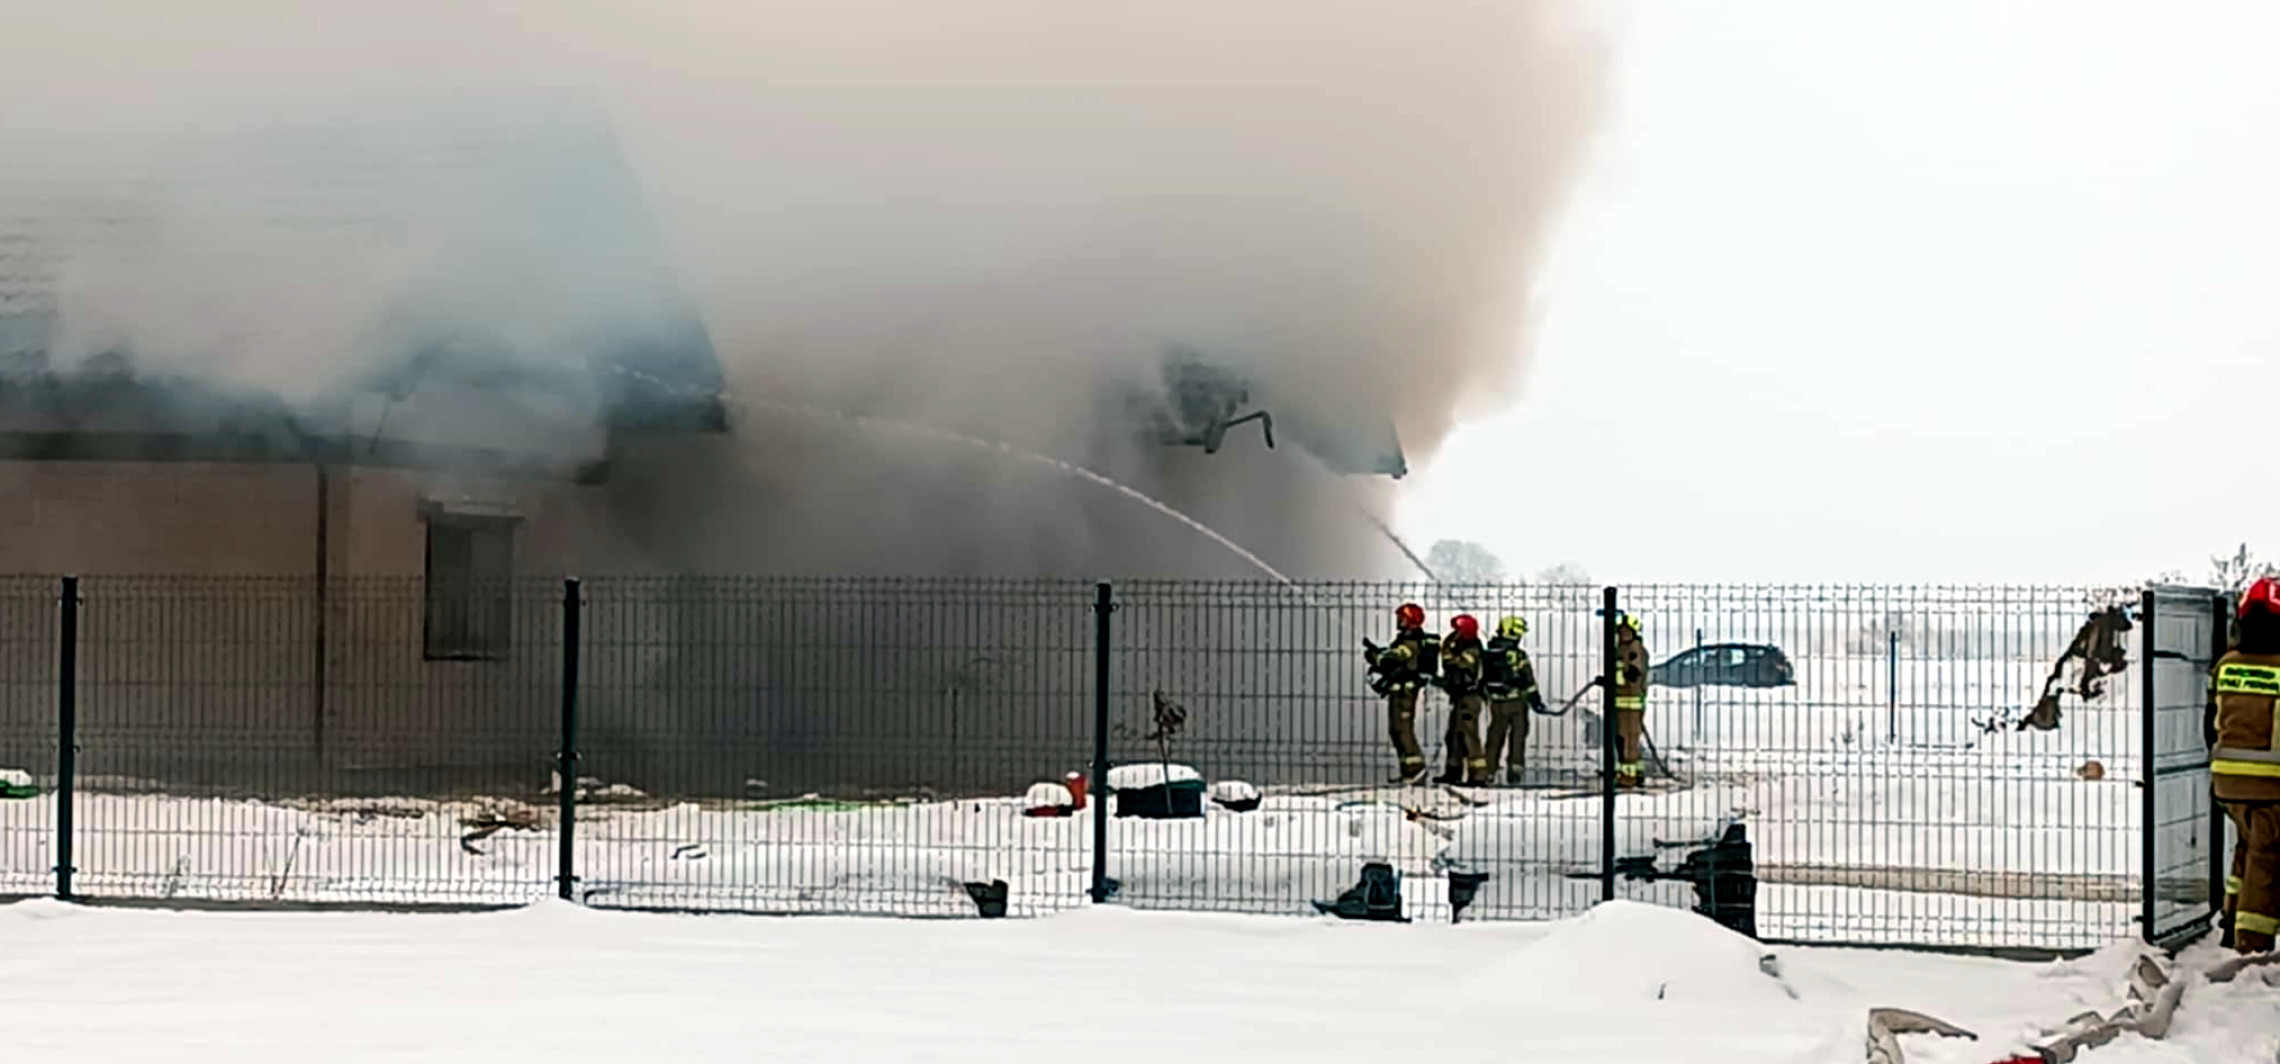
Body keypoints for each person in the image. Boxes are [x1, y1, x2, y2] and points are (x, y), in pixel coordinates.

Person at [2210, 576, 2280, 954]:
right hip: (2272, 785)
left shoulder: (2226, 664)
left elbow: (2211, 722)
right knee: (2266, 863)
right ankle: (2251, 950)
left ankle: (2229, 920)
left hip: (2227, 781)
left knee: (2248, 846)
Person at [1363, 602, 1439, 785]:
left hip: (1405, 693)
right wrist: (1379, 652)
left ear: (1411, 620)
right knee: (1396, 730)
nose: (1399, 621)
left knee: (1403, 730)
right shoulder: (1406, 639)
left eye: (1402, 618)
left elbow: (1394, 658)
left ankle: (1416, 770)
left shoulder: (1411, 642)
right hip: (1399, 691)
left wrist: (1375, 656)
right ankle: (1408, 772)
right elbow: (1394, 656)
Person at [1483, 615, 1546, 786]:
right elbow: (1527, 679)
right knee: (1518, 736)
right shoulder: (1517, 655)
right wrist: (1536, 700)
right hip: (1516, 702)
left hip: (1496, 702)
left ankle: (1488, 771)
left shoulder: (1490, 652)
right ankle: (1515, 772)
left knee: (1495, 736)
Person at [1436, 613, 1489, 786]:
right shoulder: (1462, 646)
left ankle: (1478, 776)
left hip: (1470, 698)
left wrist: (1446, 649)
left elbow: (1458, 663)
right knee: (1453, 736)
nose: (1454, 634)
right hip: (1459, 697)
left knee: (1469, 735)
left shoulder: (1472, 649)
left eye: (1457, 630)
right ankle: (1453, 772)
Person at [1612, 612, 1649, 788]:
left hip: (1631, 703)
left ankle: (1629, 777)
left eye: (1626, 630)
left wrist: (1627, 673)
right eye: (1621, 630)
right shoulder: (1620, 649)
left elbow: (1634, 673)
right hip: (1620, 701)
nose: (1622, 634)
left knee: (1629, 739)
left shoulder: (1635, 649)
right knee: (1621, 739)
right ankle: (1631, 772)